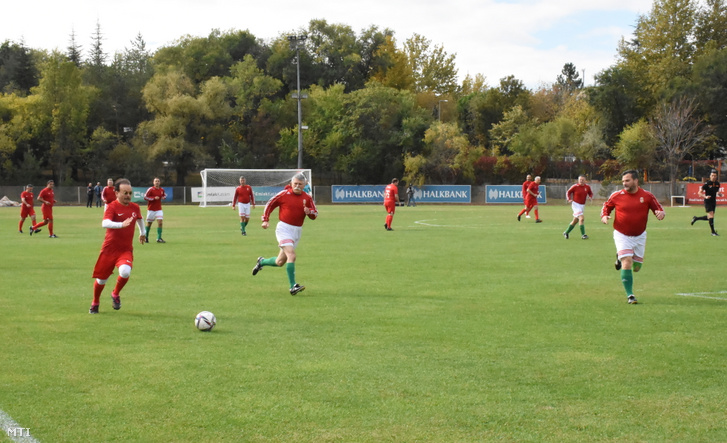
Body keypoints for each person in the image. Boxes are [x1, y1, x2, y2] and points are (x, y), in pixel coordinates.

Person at [601, 169, 665, 304]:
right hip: (621, 234)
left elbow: (658, 209)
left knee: (636, 268)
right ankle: (630, 295)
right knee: (627, 262)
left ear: (636, 181)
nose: (624, 183)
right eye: (623, 181)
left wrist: (660, 214)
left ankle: (619, 257)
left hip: (640, 236)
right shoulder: (617, 195)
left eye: (627, 180)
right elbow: (606, 206)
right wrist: (604, 215)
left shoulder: (647, 196)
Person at [251, 173, 318, 295]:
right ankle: (293, 286)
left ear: (304, 185)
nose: (297, 186)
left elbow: (315, 215)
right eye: (295, 184)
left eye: (300, 184)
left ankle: (262, 262)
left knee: (280, 262)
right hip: (284, 228)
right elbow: (270, 204)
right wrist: (265, 220)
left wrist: (310, 212)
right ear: (291, 184)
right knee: (291, 255)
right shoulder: (284, 194)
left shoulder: (307, 198)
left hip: (297, 231)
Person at [89, 178, 146, 314]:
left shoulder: (135, 207)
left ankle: (115, 293)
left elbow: (139, 218)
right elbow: (105, 223)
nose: (128, 196)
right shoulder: (112, 206)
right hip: (109, 250)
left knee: (125, 271)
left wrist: (142, 233)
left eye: (130, 193)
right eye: (124, 192)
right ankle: (95, 302)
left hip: (125, 250)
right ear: (116, 193)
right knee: (101, 280)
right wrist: (121, 225)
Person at [691, 170, 723, 236]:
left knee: (710, 217)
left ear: (716, 176)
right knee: (711, 215)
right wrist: (705, 196)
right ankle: (713, 232)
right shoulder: (707, 184)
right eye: (712, 176)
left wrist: (719, 194)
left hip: (713, 201)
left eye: (715, 176)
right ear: (710, 176)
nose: (713, 177)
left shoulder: (717, 184)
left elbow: (716, 192)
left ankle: (696, 218)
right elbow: (699, 193)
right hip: (708, 201)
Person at [563, 175, 594, 239]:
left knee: (575, 220)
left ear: (585, 180)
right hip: (575, 204)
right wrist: (569, 199)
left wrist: (590, 197)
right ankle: (583, 235)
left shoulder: (587, 187)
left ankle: (566, 232)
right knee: (581, 218)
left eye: (583, 180)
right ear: (578, 180)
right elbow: (568, 192)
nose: (581, 181)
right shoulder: (575, 186)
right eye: (580, 180)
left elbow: (590, 193)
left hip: (582, 205)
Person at [144, 177, 167, 243]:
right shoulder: (150, 189)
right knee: (149, 223)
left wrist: (163, 197)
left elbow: (164, 195)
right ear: (153, 182)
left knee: (160, 222)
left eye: (158, 181)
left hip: (159, 209)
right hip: (151, 209)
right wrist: (153, 198)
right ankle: (146, 237)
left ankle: (159, 238)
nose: (157, 182)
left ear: (160, 182)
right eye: (156, 181)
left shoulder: (161, 190)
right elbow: (145, 197)